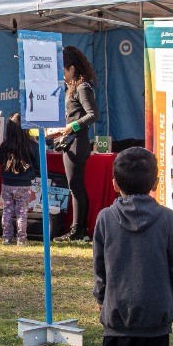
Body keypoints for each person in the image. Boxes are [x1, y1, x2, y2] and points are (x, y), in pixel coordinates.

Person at [87, 147, 173, 346]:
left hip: (117, 307)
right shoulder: (167, 219)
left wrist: (102, 298)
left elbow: (99, 268)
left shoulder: (105, 218)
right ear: (155, 183)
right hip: (157, 308)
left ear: (115, 183)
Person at [47, 46, 99, 243]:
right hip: (69, 140)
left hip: (78, 141)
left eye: (63, 70)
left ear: (72, 68)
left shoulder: (82, 87)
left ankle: (78, 230)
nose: (62, 75)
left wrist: (72, 127)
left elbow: (93, 114)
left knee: (75, 186)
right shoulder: (72, 88)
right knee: (75, 186)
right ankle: (80, 229)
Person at [0, 114, 38, 246]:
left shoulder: (5, 144)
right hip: (24, 184)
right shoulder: (32, 145)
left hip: (7, 183)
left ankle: (7, 237)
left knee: (7, 210)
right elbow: (38, 164)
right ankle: (21, 238)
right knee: (22, 212)